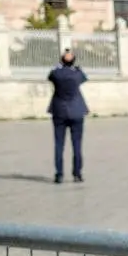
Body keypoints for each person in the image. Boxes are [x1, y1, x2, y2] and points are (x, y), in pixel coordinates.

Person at [47, 49, 88, 183]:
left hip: (59, 111)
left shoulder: (56, 73)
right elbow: (84, 78)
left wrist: (59, 66)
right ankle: (77, 174)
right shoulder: (77, 74)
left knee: (59, 144)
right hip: (76, 110)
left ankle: (59, 174)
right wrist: (75, 68)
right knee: (77, 144)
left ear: (61, 61)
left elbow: (50, 76)